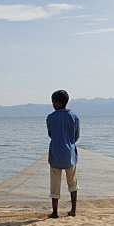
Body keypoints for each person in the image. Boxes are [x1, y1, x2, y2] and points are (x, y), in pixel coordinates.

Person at [47, 89, 79, 218]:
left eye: (53, 102)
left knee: (55, 184)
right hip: (70, 155)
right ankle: (73, 210)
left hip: (55, 154)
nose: (52, 104)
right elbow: (76, 136)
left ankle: (55, 212)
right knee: (73, 183)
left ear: (58, 103)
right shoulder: (73, 116)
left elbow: (50, 134)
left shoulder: (51, 117)